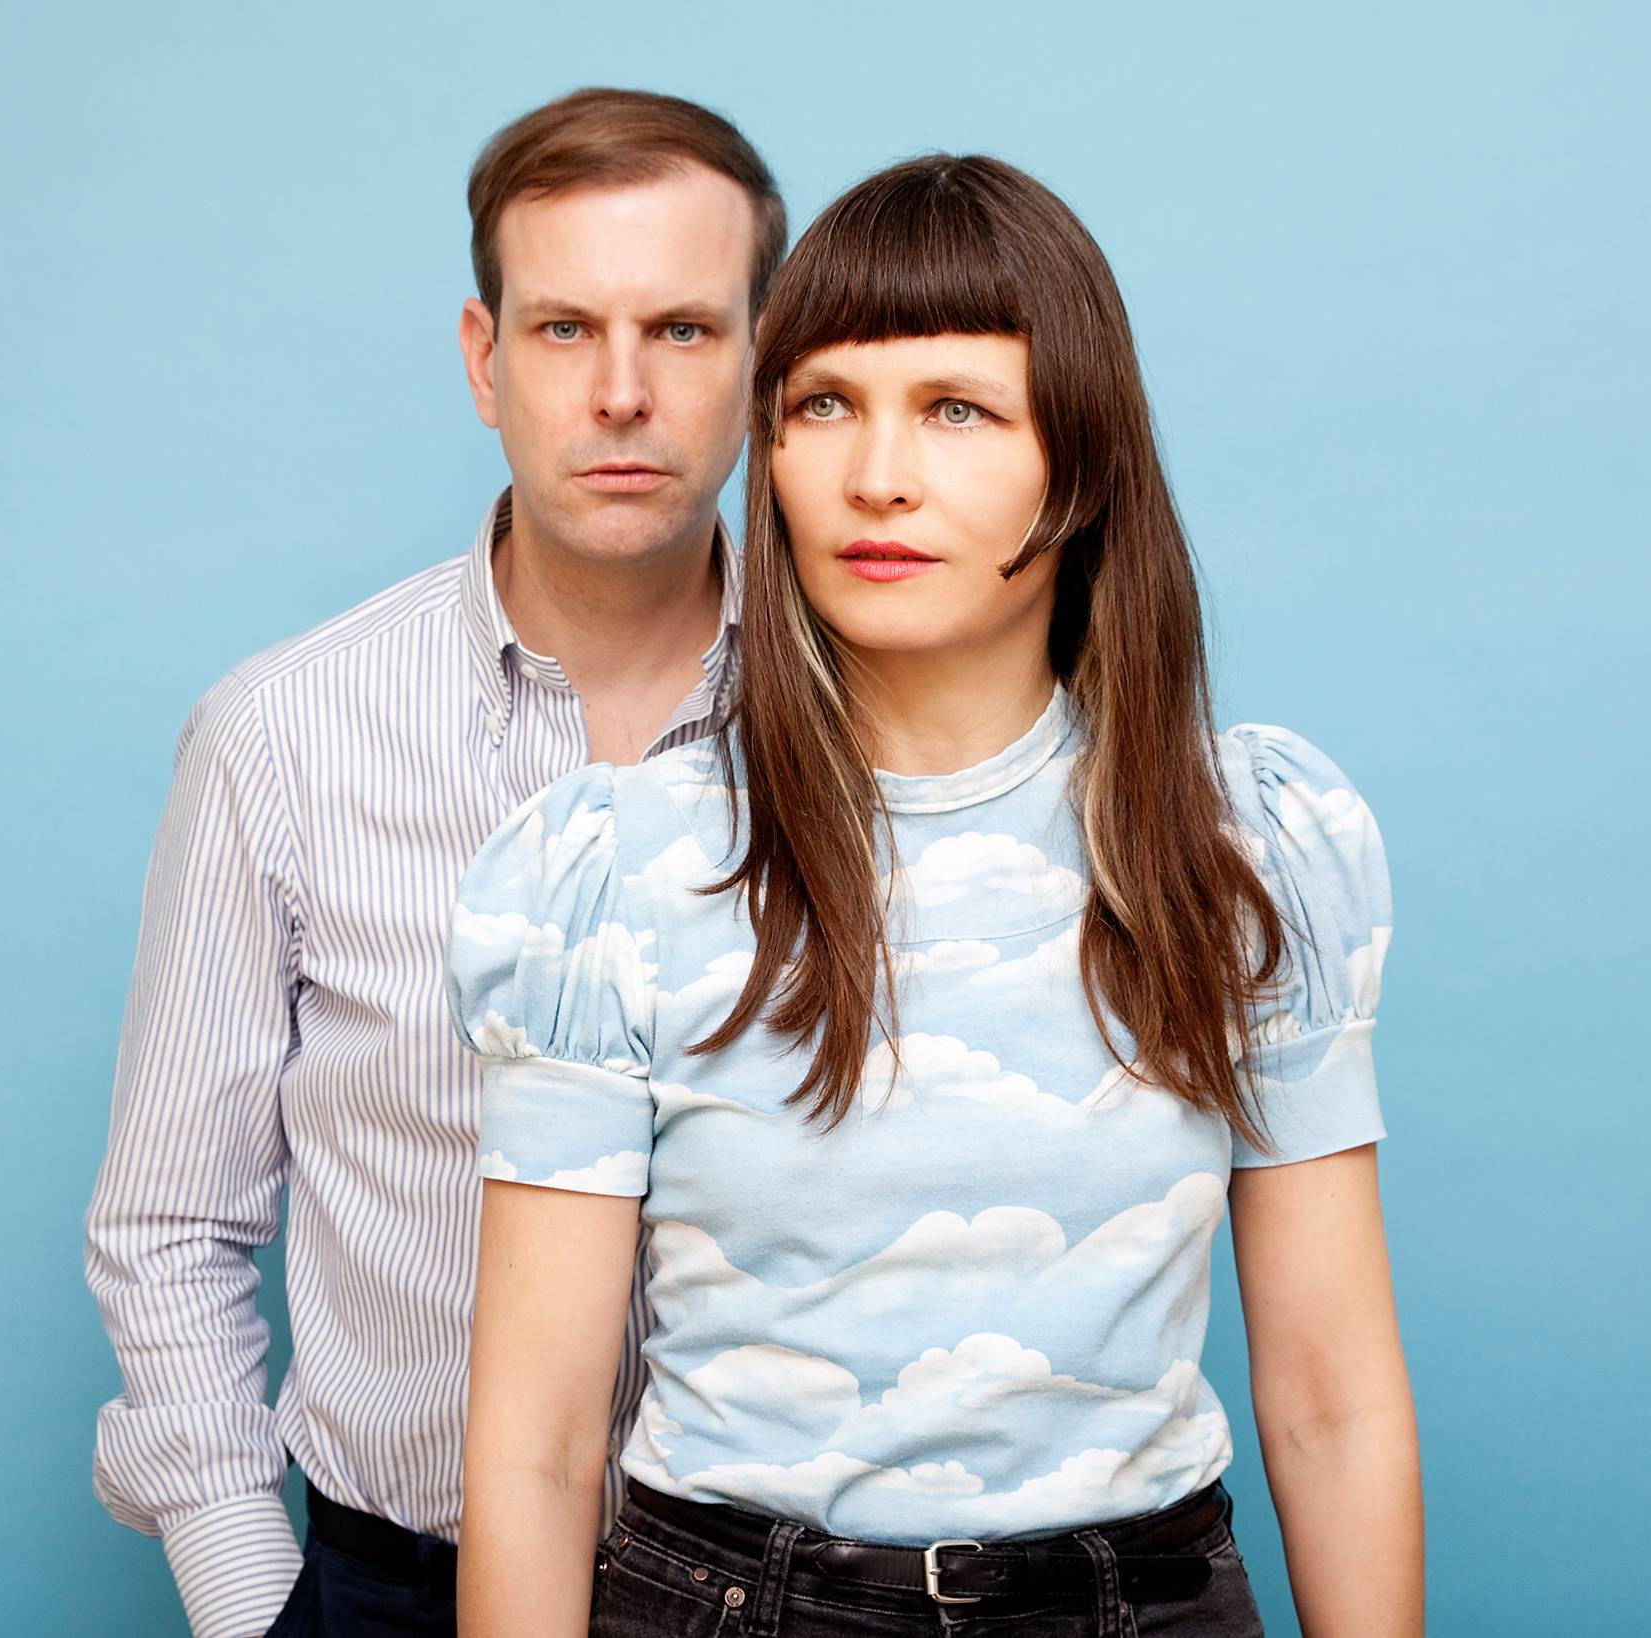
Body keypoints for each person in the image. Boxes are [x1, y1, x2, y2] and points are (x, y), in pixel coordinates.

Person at [444, 154, 1424, 1637]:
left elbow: (1332, 1400)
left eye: (957, 409)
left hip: (1144, 1602)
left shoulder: (1245, 845)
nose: (876, 476)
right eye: (825, 405)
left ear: (1080, 463)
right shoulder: (619, 869)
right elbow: (537, 1448)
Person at [83, 88, 785, 1638]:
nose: (621, 393)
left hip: (780, 1598)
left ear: (761, 358)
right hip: (392, 1587)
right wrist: (255, 1605)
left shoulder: (868, 740)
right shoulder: (283, 736)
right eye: (563, 329)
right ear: (484, 358)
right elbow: (168, 1226)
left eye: (680, 329)